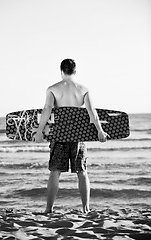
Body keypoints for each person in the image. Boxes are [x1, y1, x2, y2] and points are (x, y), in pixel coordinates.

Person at [33, 59, 108, 214]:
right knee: (82, 171)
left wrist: (40, 130)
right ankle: (86, 209)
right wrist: (100, 130)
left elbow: (47, 108)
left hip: (59, 136)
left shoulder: (53, 89)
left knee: (55, 171)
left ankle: (49, 209)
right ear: (75, 71)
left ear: (61, 71)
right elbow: (91, 111)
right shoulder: (83, 89)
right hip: (78, 136)